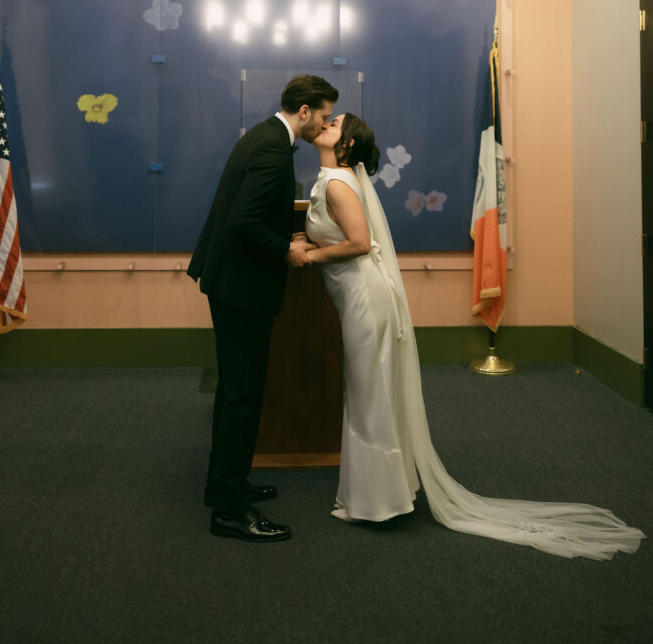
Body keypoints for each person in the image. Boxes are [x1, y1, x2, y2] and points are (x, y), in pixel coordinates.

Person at [303, 113, 644, 560]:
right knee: (371, 392)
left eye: (334, 124)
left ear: (345, 146)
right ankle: (385, 492)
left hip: (366, 300)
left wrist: (309, 255)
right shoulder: (334, 177)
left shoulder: (338, 183)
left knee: (369, 394)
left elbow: (361, 243)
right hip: (358, 297)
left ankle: (378, 502)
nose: (325, 123)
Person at [187, 74, 338, 542]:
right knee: (243, 395)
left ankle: (223, 486)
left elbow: (248, 216)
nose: (326, 125)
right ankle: (231, 513)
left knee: (235, 389)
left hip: (230, 282)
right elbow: (244, 222)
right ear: (306, 110)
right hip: (242, 288)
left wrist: (281, 237)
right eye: (325, 116)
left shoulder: (264, 135)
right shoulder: (274, 149)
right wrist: (286, 250)